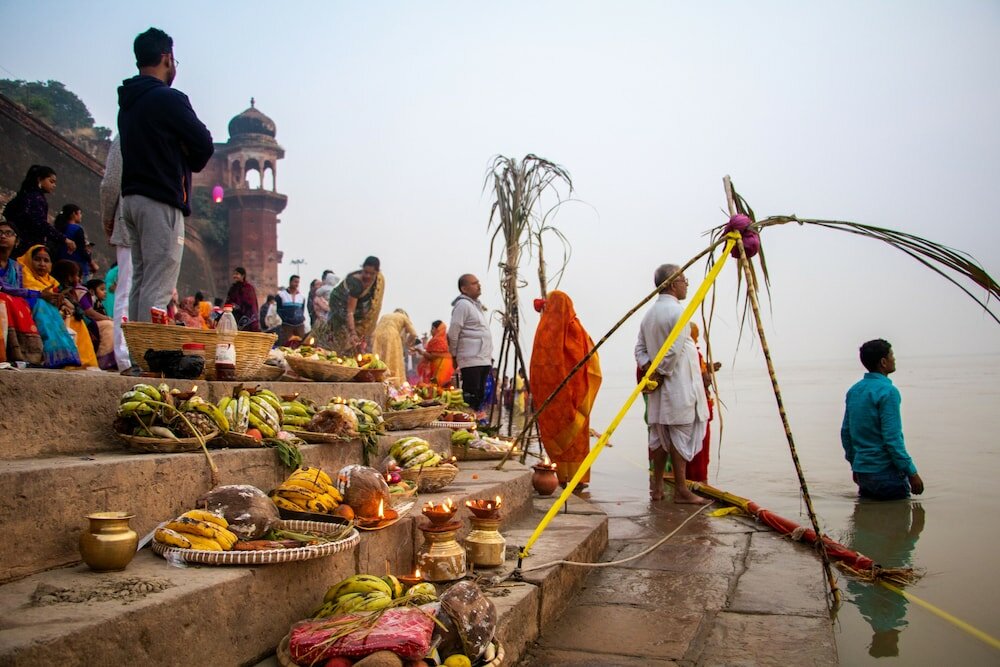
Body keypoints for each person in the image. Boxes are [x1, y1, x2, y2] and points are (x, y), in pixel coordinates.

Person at [118, 27, 214, 323]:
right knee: (158, 285)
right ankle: (148, 350)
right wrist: (186, 154)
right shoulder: (168, 99)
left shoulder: (128, 103)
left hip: (131, 200)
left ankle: (138, 349)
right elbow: (203, 144)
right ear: (167, 58)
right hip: (160, 197)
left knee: (141, 281)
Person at [635, 264, 710, 504]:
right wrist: (659, 372)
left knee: (659, 436)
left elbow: (639, 350)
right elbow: (674, 350)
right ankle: (680, 489)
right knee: (679, 435)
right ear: (671, 284)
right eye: (683, 280)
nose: (686, 284)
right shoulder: (678, 312)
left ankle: (657, 488)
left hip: (659, 388)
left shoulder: (649, 315)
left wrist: (649, 368)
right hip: (678, 386)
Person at [530, 291, 603, 486]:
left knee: (556, 432)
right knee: (574, 435)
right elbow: (587, 358)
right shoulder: (573, 328)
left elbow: (537, 365)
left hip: (549, 395)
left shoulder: (543, 328)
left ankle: (557, 475)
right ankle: (575, 479)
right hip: (573, 392)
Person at [841, 339, 924, 500]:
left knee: (869, 514)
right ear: (883, 362)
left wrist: (855, 465)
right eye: (892, 355)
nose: (894, 359)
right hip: (887, 473)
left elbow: (846, 433)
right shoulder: (888, 391)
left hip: (863, 473)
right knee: (897, 514)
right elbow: (892, 439)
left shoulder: (854, 391)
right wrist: (912, 472)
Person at [99, 134, 133, 371]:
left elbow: (111, 184)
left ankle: (128, 358)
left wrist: (107, 219)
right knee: (151, 295)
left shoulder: (129, 133)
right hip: (161, 228)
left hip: (130, 222)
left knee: (129, 291)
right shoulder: (168, 134)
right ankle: (137, 356)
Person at [17, 245, 82, 368]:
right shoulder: (23, 273)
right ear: (29, 260)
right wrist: (43, 296)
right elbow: (21, 292)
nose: (42, 264)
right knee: (42, 304)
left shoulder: (51, 281)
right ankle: (51, 356)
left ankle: (65, 355)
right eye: (37, 259)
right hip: (27, 304)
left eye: (46, 260)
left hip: (49, 307)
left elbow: (57, 297)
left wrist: (62, 303)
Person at [3, 165, 75, 259]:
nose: (54, 185)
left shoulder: (26, 195)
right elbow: (40, 224)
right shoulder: (35, 198)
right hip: (26, 248)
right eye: (51, 181)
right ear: (40, 179)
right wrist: (64, 239)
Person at [314, 257, 384, 353]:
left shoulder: (378, 280)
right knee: (340, 334)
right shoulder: (355, 283)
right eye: (365, 272)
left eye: (371, 273)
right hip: (339, 304)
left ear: (377, 272)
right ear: (362, 269)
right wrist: (352, 332)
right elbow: (350, 311)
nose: (368, 276)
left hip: (358, 308)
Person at [0, 219, 44, 364]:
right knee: (6, 298)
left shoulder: (16, 266)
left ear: (17, 241)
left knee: (38, 303)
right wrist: (38, 293)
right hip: (4, 297)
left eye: (8, 233)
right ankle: (13, 353)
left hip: (12, 298)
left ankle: (33, 354)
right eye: (0, 233)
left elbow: (17, 289)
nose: (3, 236)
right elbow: (4, 287)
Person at [448, 274, 493, 410]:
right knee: (471, 396)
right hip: (471, 359)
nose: (479, 285)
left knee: (479, 396)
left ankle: (475, 420)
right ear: (464, 289)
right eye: (474, 283)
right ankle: (467, 420)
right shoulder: (462, 305)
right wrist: (454, 355)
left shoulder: (476, 306)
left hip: (483, 358)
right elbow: (453, 332)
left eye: (478, 282)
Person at [687, 322, 722, 483]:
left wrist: (708, 368)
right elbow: (700, 378)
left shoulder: (692, 353)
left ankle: (695, 480)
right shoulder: (692, 353)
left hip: (697, 407)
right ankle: (698, 481)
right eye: (696, 334)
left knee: (697, 448)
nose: (697, 338)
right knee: (699, 448)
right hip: (697, 408)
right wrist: (707, 374)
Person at [371, 308, 418, 381]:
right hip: (391, 335)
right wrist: (408, 344)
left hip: (376, 335)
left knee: (378, 359)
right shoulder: (403, 317)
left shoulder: (385, 316)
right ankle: (392, 381)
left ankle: (376, 379)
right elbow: (414, 334)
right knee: (393, 360)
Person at [53, 204, 97, 279]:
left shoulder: (58, 228)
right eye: (80, 213)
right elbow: (81, 250)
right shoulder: (77, 229)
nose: (81, 216)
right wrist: (92, 263)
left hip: (61, 266)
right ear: (74, 214)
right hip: (77, 267)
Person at [417, 320, 455, 387]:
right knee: (444, 388)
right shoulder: (444, 339)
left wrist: (421, 352)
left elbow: (432, 357)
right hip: (446, 366)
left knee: (438, 388)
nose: (431, 331)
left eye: (432, 328)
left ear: (438, 329)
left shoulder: (437, 340)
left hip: (441, 368)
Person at [226, 267, 260, 331]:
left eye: (237, 274)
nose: (234, 276)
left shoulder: (248, 288)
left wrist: (239, 307)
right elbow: (228, 301)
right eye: (234, 274)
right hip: (234, 316)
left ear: (243, 275)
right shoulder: (233, 288)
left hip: (247, 316)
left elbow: (251, 305)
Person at [277, 274, 307, 345]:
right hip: (287, 324)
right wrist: (284, 318)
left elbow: (302, 310)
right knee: (286, 343)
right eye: (295, 282)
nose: (297, 284)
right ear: (290, 282)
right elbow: (278, 309)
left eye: (298, 282)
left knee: (302, 343)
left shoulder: (301, 297)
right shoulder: (281, 295)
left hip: (299, 324)